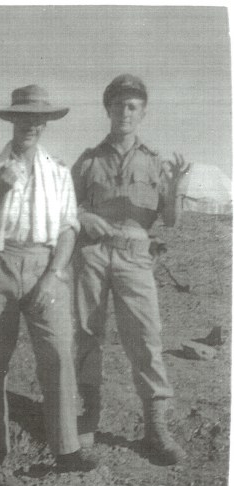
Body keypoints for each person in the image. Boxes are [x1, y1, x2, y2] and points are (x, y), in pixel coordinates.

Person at [0, 84, 96, 472]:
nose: (30, 125)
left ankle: (67, 449)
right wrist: (2, 191)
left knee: (59, 354)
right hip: (0, 263)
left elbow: (69, 228)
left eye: (37, 119)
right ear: (12, 121)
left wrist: (53, 274)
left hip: (47, 266)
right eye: (23, 117)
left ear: (45, 124)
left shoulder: (59, 171)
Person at [71, 74, 188, 465]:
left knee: (145, 336)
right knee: (87, 332)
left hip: (136, 257)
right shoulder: (88, 160)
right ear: (108, 109)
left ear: (143, 112)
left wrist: (174, 192)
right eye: (118, 104)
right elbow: (65, 208)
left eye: (133, 105)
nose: (125, 111)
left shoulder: (155, 162)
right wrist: (83, 217)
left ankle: (156, 427)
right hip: (92, 255)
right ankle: (87, 413)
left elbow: (169, 220)